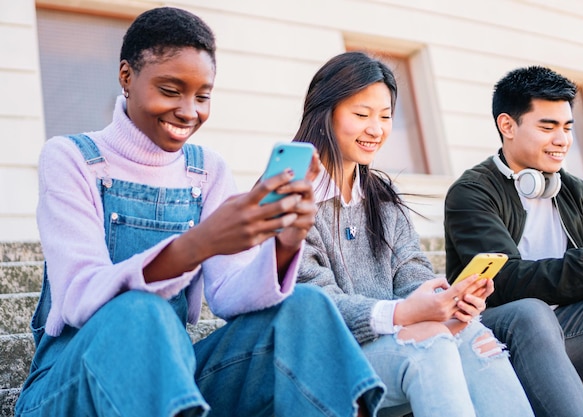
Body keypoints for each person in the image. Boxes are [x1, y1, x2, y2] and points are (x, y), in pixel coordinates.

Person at [14, 8, 385, 417]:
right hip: (68, 382)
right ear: (126, 77)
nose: (190, 111)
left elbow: (229, 295)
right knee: (140, 311)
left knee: (307, 305)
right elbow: (80, 295)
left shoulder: (206, 169)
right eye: (171, 90)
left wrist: (284, 242)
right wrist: (197, 245)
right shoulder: (71, 158)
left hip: (171, 380)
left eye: (202, 96)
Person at [295, 51, 533, 417]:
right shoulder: (292, 197)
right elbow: (313, 302)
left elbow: (413, 275)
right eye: (361, 115)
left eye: (386, 116)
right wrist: (403, 313)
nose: (376, 129)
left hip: (393, 346)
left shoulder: (383, 200)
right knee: (432, 343)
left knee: (475, 337)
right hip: (328, 364)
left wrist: (451, 301)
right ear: (324, 112)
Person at [444, 65, 583, 417]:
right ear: (507, 126)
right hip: (499, 334)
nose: (562, 140)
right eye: (548, 127)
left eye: (567, 127)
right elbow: (506, 282)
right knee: (531, 312)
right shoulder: (472, 193)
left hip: (568, 332)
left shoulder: (572, 189)